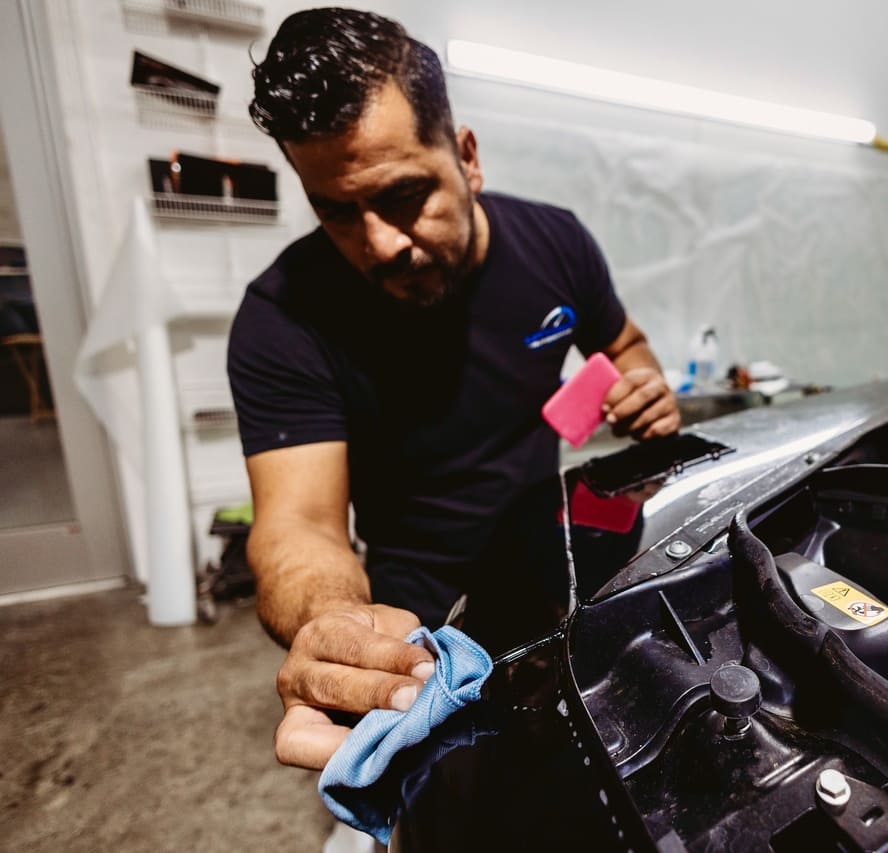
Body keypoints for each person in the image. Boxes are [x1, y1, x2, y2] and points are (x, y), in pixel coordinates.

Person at [228, 7, 679, 771]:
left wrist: (645, 383)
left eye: (403, 195)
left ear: (466, 157)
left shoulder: (557, 244)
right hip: (412, 606)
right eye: (337, 210)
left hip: (553, 565)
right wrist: (343, 627)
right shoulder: (282, 317)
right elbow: (298, 524)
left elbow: (626, 345)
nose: (378, 244)